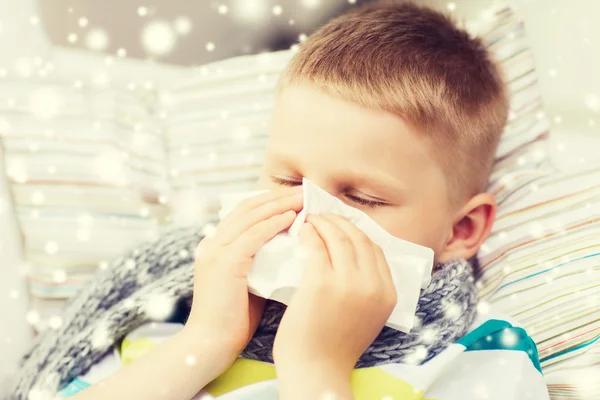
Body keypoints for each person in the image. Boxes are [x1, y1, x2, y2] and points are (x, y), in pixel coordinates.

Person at [9, 1, 549, 400]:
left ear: (461, 230)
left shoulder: (482, 362)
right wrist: (205, 341)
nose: (310, 215)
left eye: (361, 197)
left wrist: (315, 367)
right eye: (288, 181)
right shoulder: (167, 314)